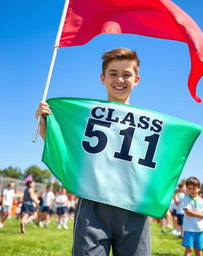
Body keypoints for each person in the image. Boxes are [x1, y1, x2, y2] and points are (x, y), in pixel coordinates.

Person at [36, 48, 150, 255]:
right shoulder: (85, 115)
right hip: (93, 201)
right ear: (103, 78)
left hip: (133, 204)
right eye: (113, 73)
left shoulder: (149, 124)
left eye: (127, 74)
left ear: (137, 79)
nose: (120, 80)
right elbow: (68, 148)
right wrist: (46, 126)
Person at [182, 177, 203, 256]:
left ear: (199, 188)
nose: (192, 190)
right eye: (189, 188)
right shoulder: (186, 199)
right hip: (189, 229)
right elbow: (188, 212)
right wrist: (200, 215)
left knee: (198, 250)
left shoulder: (201, 200)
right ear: (187, 189)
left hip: (199, 229)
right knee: (189, 249)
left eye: (194, 188)